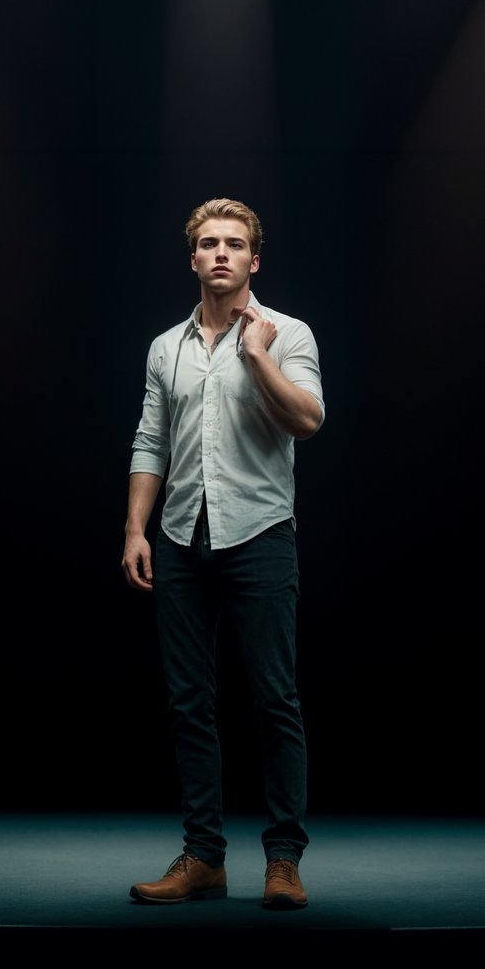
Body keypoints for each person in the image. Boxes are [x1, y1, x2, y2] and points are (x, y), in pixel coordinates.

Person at [122, 197, 324, 908]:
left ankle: (283, 860)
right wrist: (135, 531)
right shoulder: (164, 348)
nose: (220, 253)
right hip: (180, 537)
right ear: (193, 259)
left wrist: (257, 356)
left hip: (261, 535)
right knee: (188, 703)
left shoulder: (287, 333)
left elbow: (307, 420)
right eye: (208, 242)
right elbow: (151, 442)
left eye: (234, 244)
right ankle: (204, 857)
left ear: (253, 259)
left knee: (275, 700)